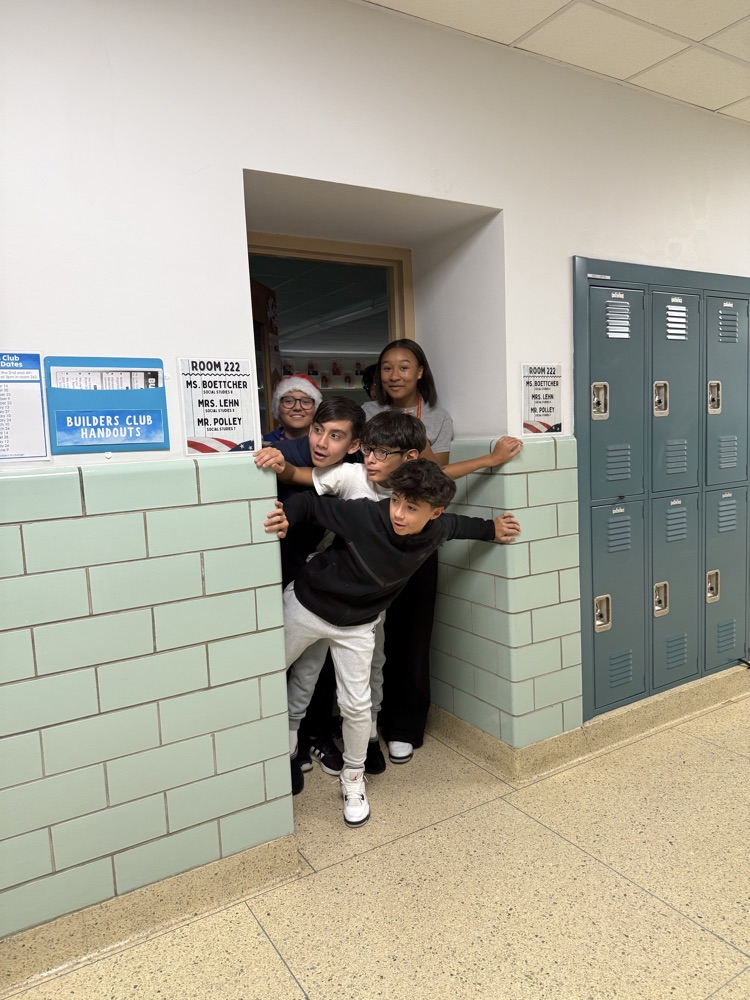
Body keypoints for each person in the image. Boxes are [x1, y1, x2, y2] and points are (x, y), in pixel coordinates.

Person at [257, 411, 523, 774]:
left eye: (382, 453)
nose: (371, 459)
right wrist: (281, 480)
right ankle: (291, 746)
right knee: (307, 670)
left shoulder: (426, 506)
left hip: (367, 607)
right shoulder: (358, 491)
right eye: (368, 450)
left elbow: (451, 514)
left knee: (373, 667)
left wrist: (491, 526)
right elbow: (305, 493)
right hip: (321, 593)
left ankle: (366, 739)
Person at [363, 340, 522, 764]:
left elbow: (436, 476)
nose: (394, 375)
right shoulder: (367, 413)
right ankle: (365, 727)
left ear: (420, 372)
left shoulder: (437, 417)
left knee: (413, 634)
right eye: (386, 367)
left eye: (404, 367)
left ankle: (404, 726)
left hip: (419, 537)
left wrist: (489, 459)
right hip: (373, 535)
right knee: (367, 638)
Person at [264, 374, 322, 444]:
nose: (297, 408)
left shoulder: (324, 443)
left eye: (306, 402)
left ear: (315, 409)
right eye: (289, 401)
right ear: (278, 408)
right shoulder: (262, 444)